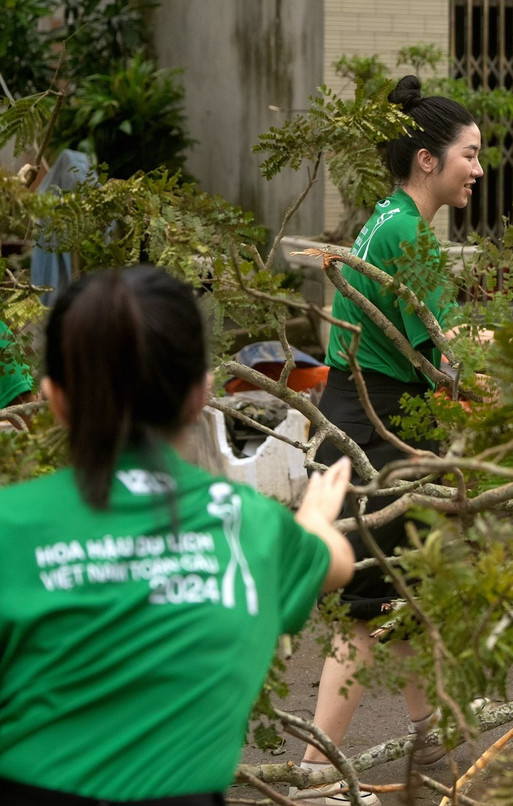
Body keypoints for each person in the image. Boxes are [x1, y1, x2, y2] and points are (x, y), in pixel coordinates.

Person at [0, 266, 354, 805]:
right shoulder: (250, 528)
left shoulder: (10, 525)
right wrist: (311, 520)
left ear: (53, 398)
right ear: (201, 397)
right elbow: (337, 563)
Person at [299, 74, 486, 801]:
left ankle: (430, 736)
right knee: (368, 607)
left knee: (404, 592)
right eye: (469, 154)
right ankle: (316, 774)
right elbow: (443, 357)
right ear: (428, 160)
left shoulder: (387, 219)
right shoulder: (408, 232)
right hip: (375, 431)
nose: (479, 168)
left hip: (366, 422)